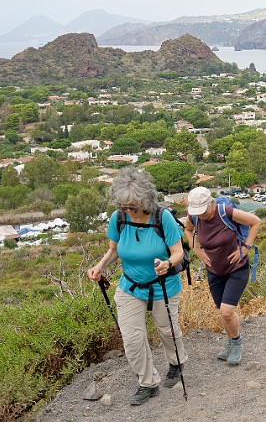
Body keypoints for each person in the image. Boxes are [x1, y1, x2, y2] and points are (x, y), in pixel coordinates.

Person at [87, 167, 187, 406]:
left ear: (145, 201)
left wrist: (167, 263)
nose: (128, 212)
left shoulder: (162, 218)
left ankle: (176, 362)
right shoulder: (118, 219)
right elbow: (113, 250)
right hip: (130, 286)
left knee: (167, 330)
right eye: (123, 207)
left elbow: (178, 253)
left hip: (162, 284)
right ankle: (148, 382)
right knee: (132, 338)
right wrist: (99, 266)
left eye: (133, 207)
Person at [184, 186, 260, 366]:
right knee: (222, 311)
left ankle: (236, 343)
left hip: (237, 267)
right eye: (198, 212)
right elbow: (188, 230)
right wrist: (198, 251)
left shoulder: (225, 211)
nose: (201, 216)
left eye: (203, 211)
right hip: (214, 270)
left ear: (211, 203)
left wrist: (246, 247)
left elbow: (255, 222)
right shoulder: (194, 217)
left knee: (227, 311)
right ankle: (230, 342)